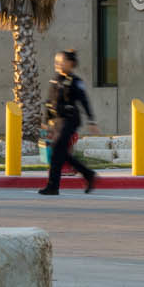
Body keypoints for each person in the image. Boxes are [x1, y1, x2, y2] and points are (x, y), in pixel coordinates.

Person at [36, 49, 97, 196]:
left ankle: (53, 186)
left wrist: (91, 121)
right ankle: (88, 174)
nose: (57, 64)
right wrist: (47, 123)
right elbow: (49, 103)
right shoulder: (56, 80)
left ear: (70, 63)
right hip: (57, 122)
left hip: (70, 120)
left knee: (57, 151)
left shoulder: (76, 82)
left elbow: (84, 101)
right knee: (60, 152)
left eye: (61, 61)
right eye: (56, 61)